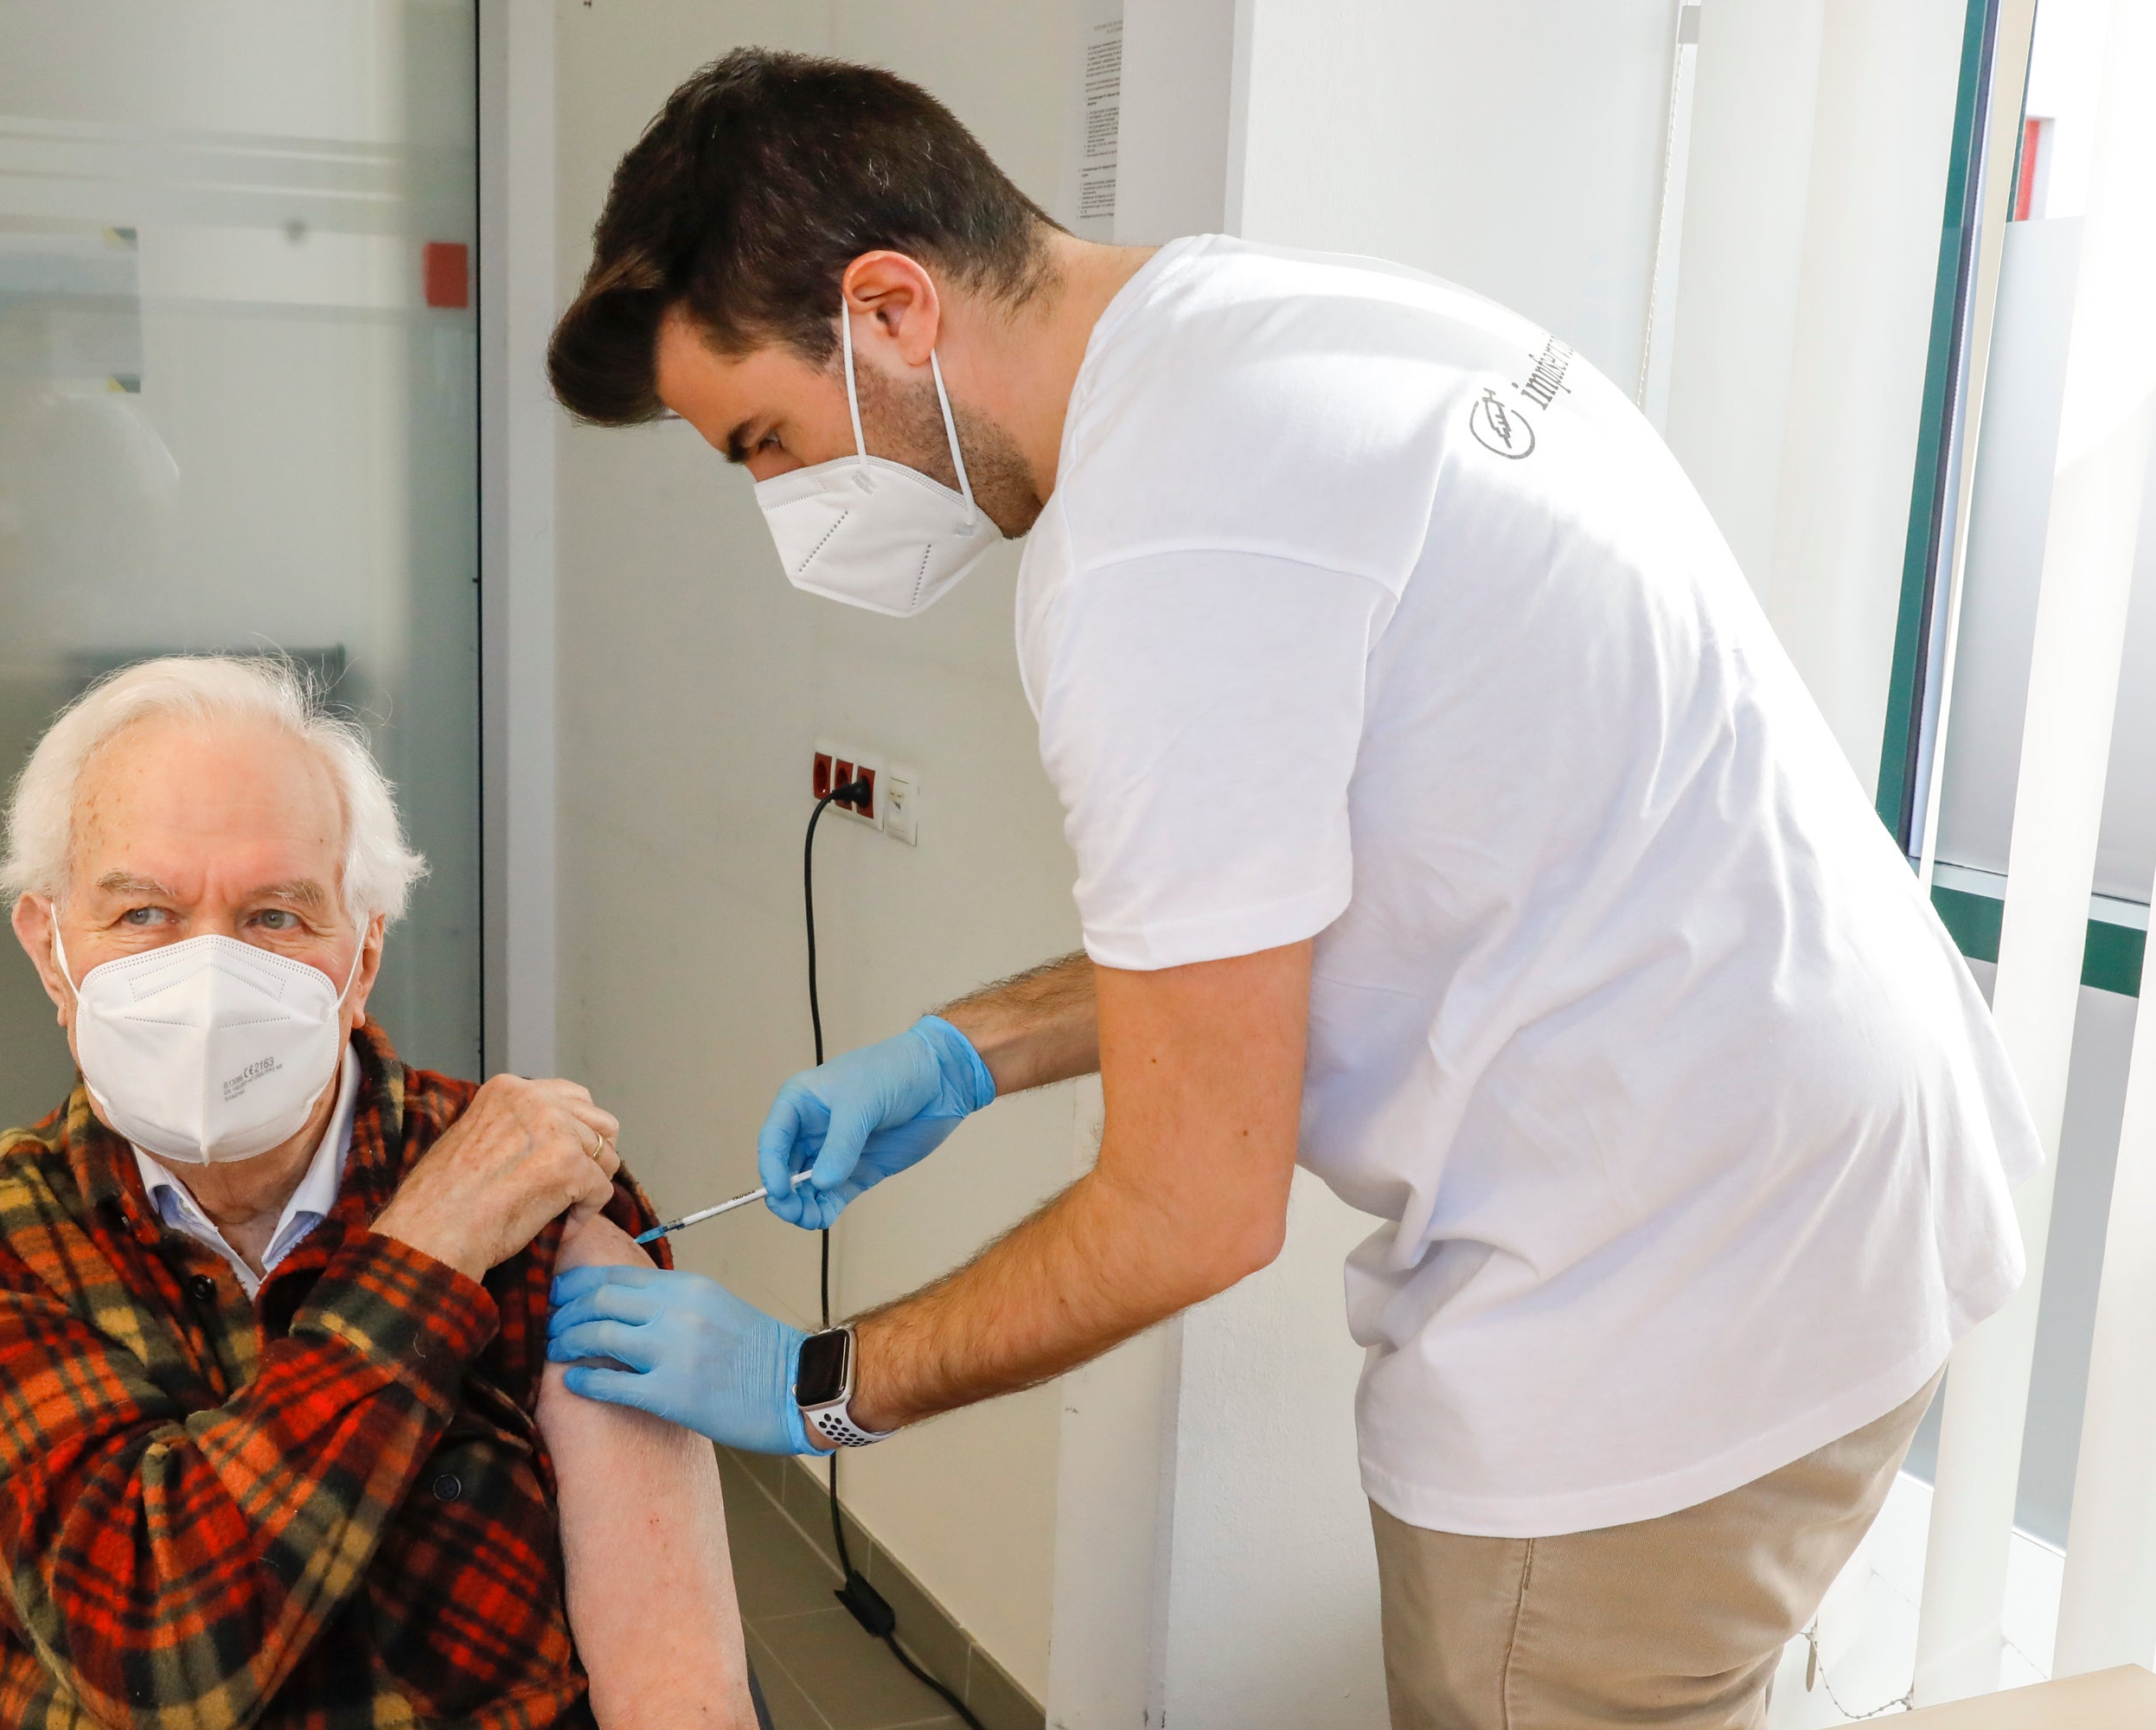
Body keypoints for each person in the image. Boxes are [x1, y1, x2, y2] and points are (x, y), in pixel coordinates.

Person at [537, 48, 2038, 1729]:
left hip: (1663, 1302)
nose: (777, 502)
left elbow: (1191, 1208)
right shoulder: (1273, 328)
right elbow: (1311, 904)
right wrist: (967, 1048)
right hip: (1854, 1183)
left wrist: (819, 1381)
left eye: (765, 440)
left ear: (888, 307)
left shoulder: (1152, 559)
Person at [0, 654, 761, 1730]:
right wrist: (432, 1243)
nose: (208, 977)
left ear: (364, 955)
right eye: (145, 912)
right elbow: (153, 1657)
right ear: (51, 949)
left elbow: (673, 1687)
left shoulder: (536, 1180)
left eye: (277, 917)